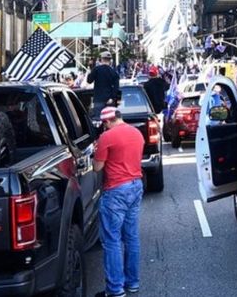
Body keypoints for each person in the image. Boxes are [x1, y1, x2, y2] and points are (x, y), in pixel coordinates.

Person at [93, 107, 145, 297]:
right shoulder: (137, 133)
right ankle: (133, 284)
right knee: (131, 236)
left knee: (112, 240)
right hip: (136, 185)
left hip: (116, 190)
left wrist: (96, 150)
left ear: (106, 122)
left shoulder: (107, 137)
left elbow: (97, 167)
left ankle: (115, 289)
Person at [87, 51, 120, 118]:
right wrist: (112, 97)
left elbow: (89, 81)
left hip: (98, 99)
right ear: (110, 60)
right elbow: (116, 87)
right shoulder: (114, 72)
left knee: (99, 121)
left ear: (101, 59)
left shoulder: (96, 70)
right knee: (110, 120)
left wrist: (90, 69)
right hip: (109, 100)